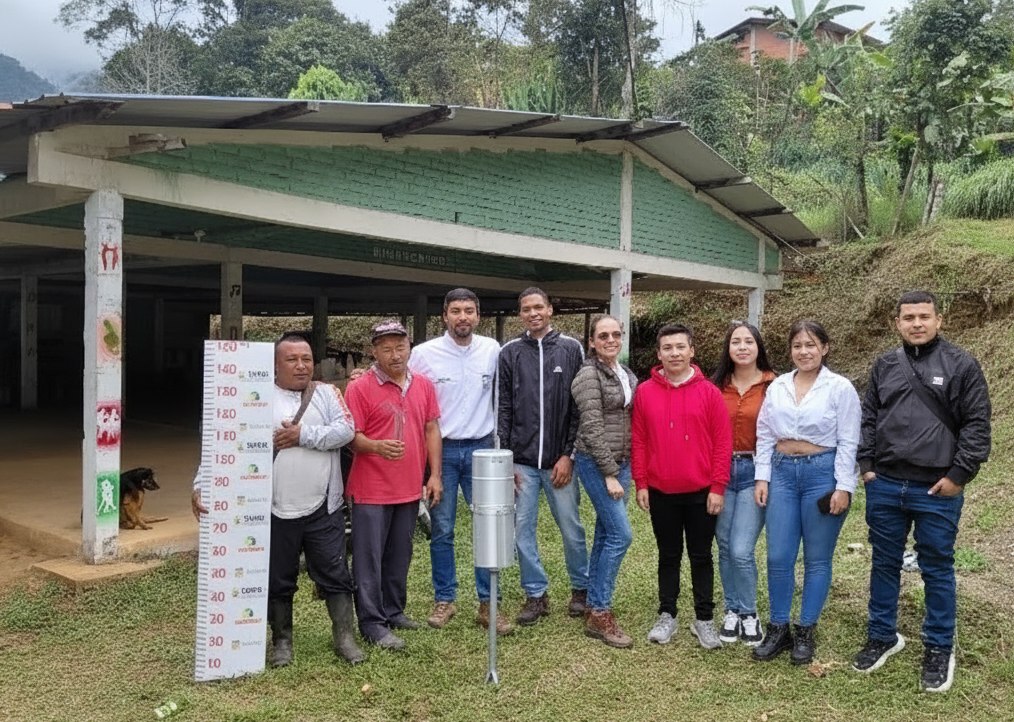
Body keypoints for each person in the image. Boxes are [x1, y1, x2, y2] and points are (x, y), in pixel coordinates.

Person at [191, 331, 365, 667]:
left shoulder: (327, 394)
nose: (301, 366)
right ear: (274, 365)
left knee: (335, 573)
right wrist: (201, 485)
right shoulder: (251, 396)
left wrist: (303, 435)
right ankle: (281, 640)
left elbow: (346, 430)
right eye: (292, 359)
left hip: (322, 508)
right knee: (278, 577)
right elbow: (220, 445)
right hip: (269, 509)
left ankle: (344, 636)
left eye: (307, 360)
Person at [852, 291, 991, 693]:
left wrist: (959, 475)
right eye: (908, 317)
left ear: (938, 320)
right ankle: (882, 635)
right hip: (886, 484)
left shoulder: (961, 365)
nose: (916, 323)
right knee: (884, 562)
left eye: (924, 316)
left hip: (937, 488)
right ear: (897, 322)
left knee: (936, 566)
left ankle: (939, 645)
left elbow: (977, 424)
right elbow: (869, 417)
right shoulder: (885, 365)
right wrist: (867, 466)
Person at [752, 320, 860, 665]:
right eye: (797, 345)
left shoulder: (840, 388)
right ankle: (779, 627)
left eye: (811, 345)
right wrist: (762, 477)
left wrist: (843, 487)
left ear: (824, 348)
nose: (804, 351)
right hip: (782, 473)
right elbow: (765, 433)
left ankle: (806, 629)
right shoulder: (778, 386)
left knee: (817, 558)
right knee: (779, 556)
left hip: (822, 474)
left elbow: (849, 441)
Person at [408, 288, 513, 635]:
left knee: (488, 526)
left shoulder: (492, 350)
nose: (462, 317)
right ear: (445, 315)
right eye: (456, 310)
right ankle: (445, 599)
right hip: (443, 451)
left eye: (469, 310)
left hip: (483, 449)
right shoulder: (423, 354)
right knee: (443, 528)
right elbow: (401, 385)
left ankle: (488, 603)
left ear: (478, 316)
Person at [345, 319, 443, 650]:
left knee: (400, 553)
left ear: (409, 348)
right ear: (374, 352)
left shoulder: (425, 385)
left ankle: (393, 610)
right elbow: (351, 438)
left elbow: (431, 428)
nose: (395, 354)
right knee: (369, 558)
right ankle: (372, 623)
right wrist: (375, 446)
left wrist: (434, 475)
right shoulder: (359, 388)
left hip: (409, 487)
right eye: (386, 349)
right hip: (370, 489)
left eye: (400, 347)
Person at [633, 323, 731, 650]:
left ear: (692, 350)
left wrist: (718, 486)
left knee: (702, 556)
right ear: (658, 354)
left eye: (680, 347)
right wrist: (641, 482)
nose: (674, 353)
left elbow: (722, 444)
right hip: (661, 491)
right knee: (668, 555)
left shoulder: (710, 393)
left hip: (702, 492)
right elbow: (640, 440)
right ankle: (667, 614)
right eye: (667, 348)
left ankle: (703, 619)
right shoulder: (645, 392)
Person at [498, 287, 589, 625]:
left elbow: (579, 407)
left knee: (571, 527)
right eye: (526, 309)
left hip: (559, 462)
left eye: (539, 307)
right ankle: (536, 594)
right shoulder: (510, 353)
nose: (533, 313)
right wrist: (505, 459)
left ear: (551, 309)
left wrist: (568, 455)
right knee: (522, 529)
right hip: (521, 461)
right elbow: (503, 408)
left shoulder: (571, 349)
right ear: (520, 314)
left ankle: (581, 589)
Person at [571, 314, 639, 648]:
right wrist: (610, 474)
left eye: (615, 334)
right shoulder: (588, 375)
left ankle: (592, 605)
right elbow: (593, 428)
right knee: (621, 535)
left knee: (605, 533)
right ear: (592, 342)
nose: (610, 340)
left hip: (621, 462)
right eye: (603, 335)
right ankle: (601, 610)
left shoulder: (625, 373)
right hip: (596, 463)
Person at [710, 321, 776, 646]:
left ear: (758, 346)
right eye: (735, 341)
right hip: (721, 471)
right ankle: (732, 610)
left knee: (740, 548)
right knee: (723, 544)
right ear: (728, 348)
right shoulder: (715, 386)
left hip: (755, 470)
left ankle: (749, 612)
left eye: (748, 341)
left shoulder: (773, 385)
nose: (742, 347)